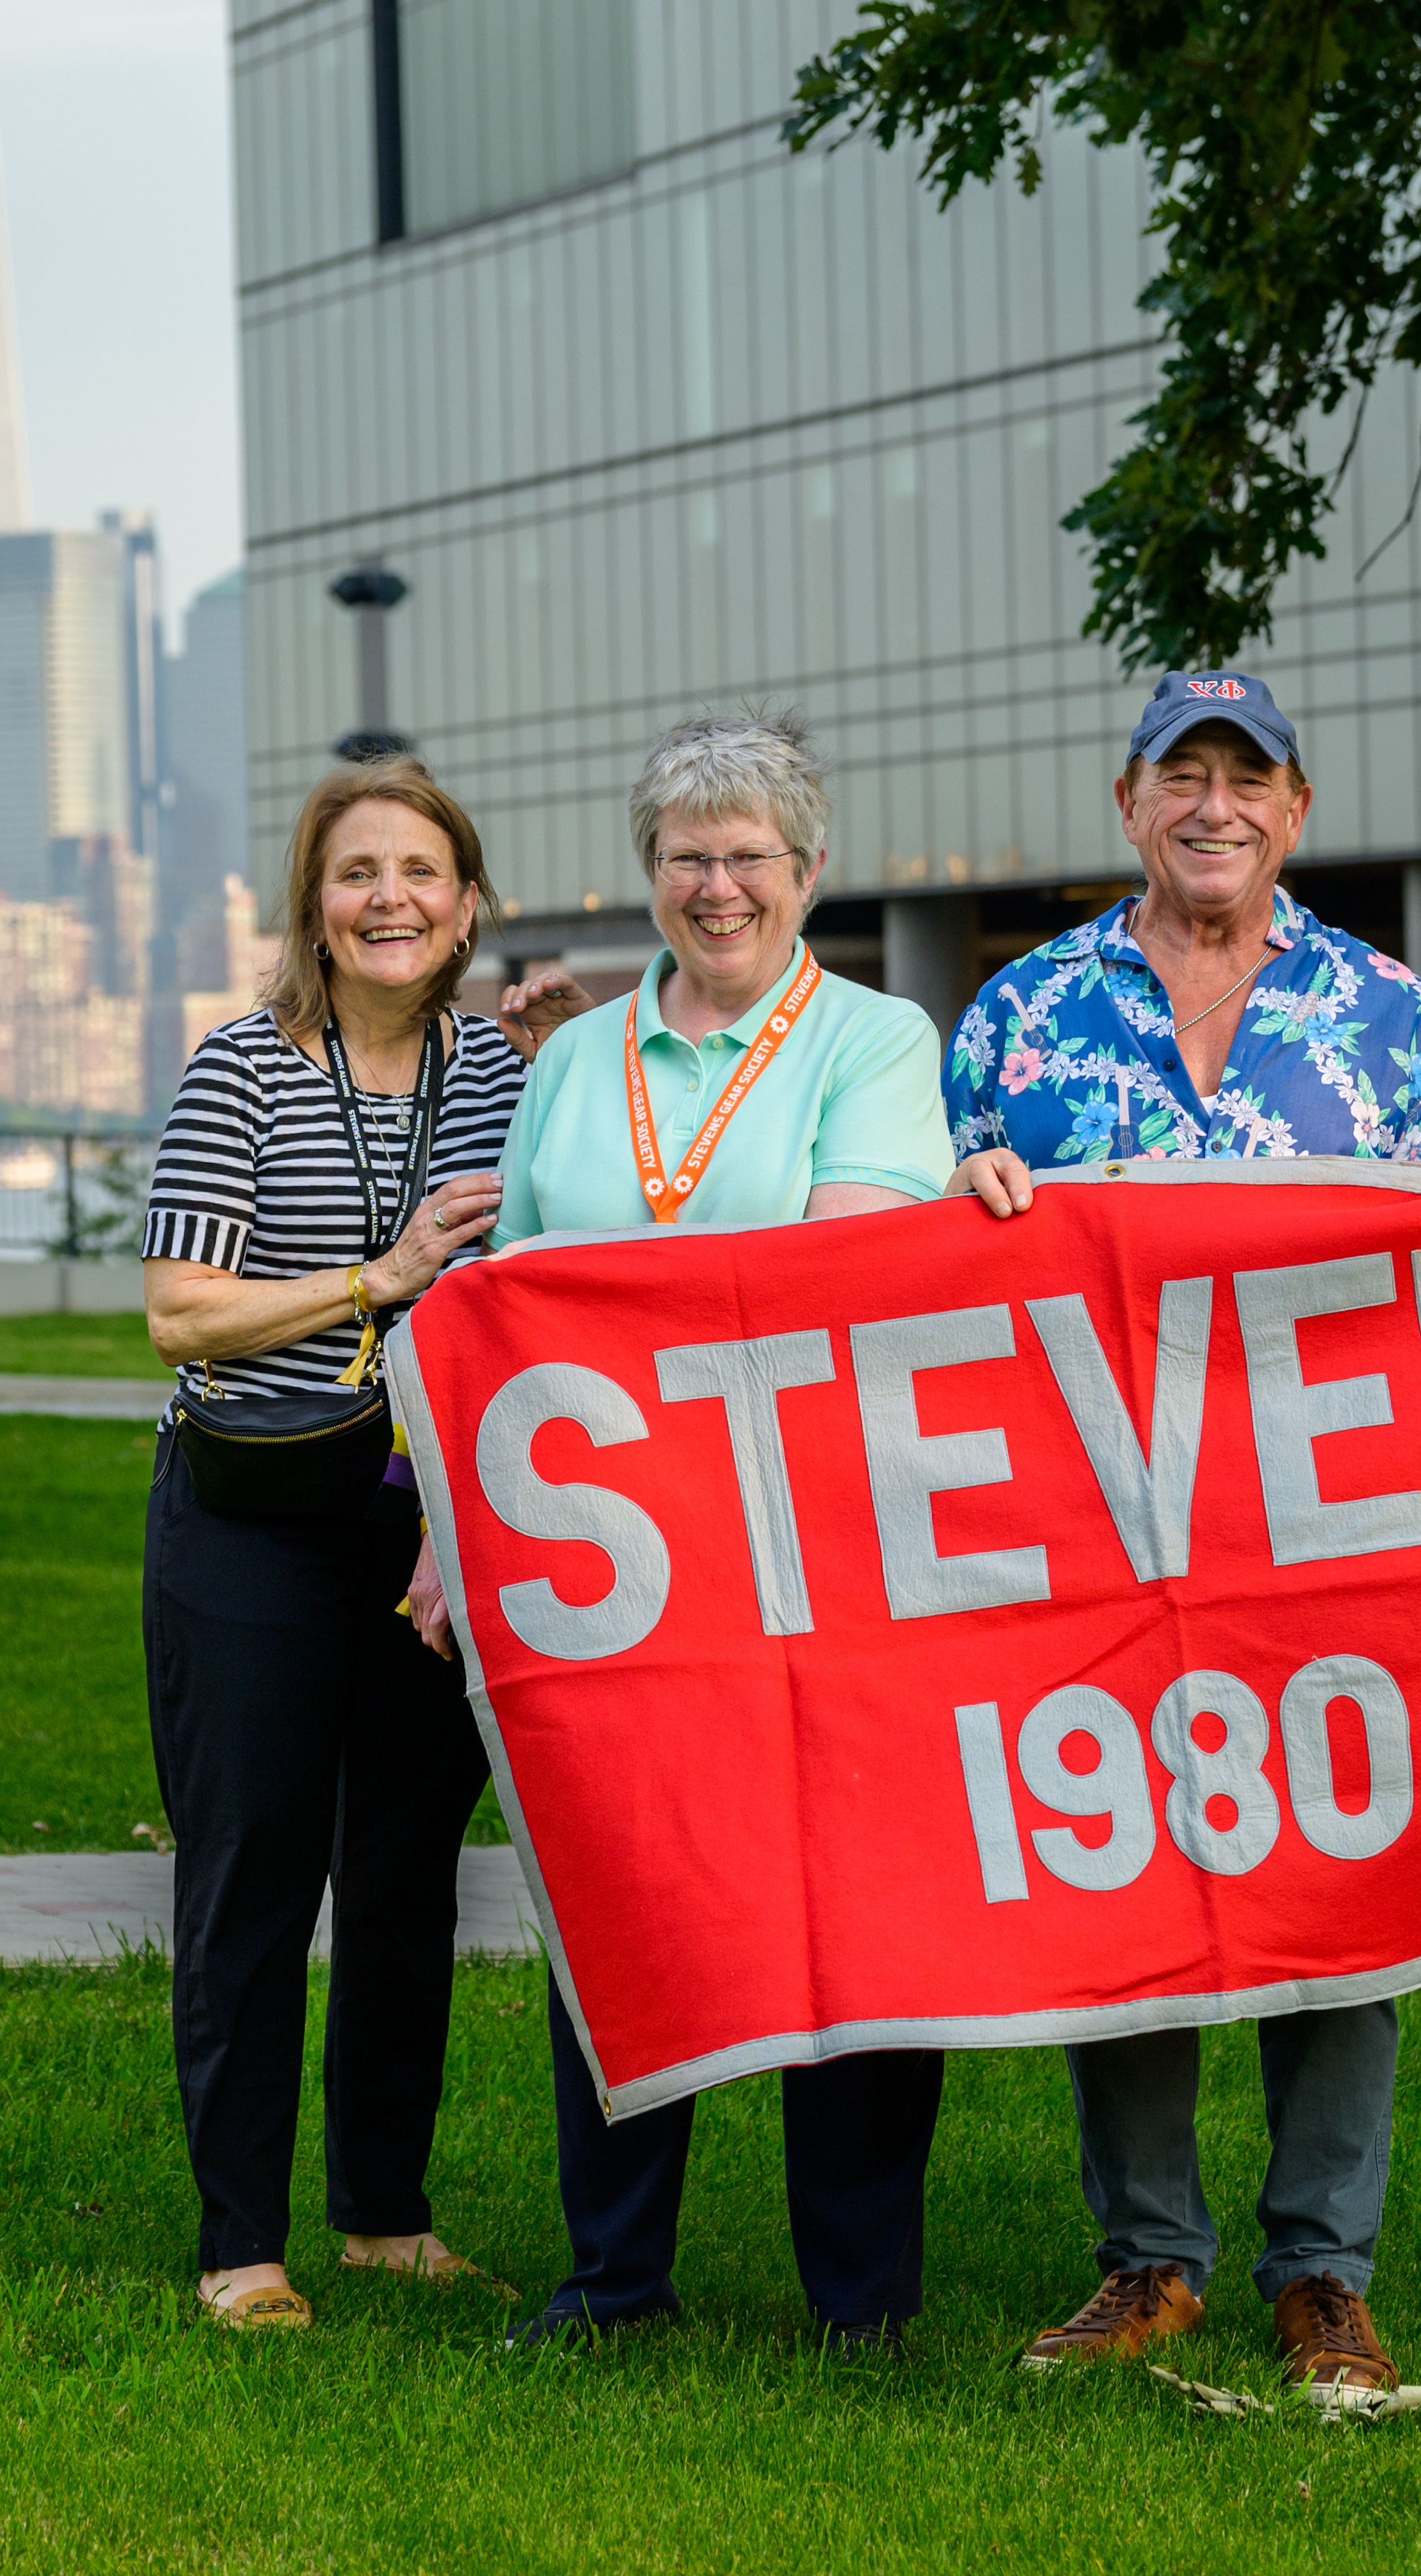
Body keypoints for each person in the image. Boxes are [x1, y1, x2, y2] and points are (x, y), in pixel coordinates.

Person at [942, 667, 1421, 2400]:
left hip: (1323, 1529)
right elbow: (937, 1278)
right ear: (1130, 801)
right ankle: (1147, 2260)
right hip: (1097, 1523)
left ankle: (1324, 2273)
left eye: (1251, 778)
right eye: (1187, 775)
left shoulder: (1386, 1013)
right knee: (1125, 1868)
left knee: (1333, 1879)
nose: (1216, 805)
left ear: (1296, 812)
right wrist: (971, 1207)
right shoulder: (1019, 1016)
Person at [424, 708, 965, 2354]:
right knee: (624, 1897)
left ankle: (858, 2299)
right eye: (686, 858)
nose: (717, 888)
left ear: (808, 871)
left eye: (748, 857)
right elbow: (500, 1311)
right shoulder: (574, 1065)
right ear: (647, 874)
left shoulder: (877, 1043)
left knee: (849, 1911)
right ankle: (614, 2278)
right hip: (601, 1566)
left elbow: (837, 1280)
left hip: (819, 1550)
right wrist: (453, 1532)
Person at [136, 757, 535, 2333]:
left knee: (402, 1882)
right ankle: (243, 2243)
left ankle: (383, 2215)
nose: (391, 899)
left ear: (468, 902)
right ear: (316, 902)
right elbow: (175, 1312)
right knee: (251, 1878)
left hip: (428, 1531)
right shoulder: (241, 1071)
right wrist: (372, 1282)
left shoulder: (501, 1080)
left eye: (421, 872)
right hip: (250, 1522)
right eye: (358, 871)